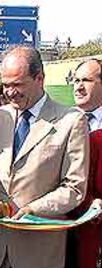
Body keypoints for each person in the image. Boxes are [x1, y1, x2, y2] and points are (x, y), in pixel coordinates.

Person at [0, 46, 89, 268]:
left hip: (39, 251)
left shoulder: (71, 121)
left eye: (17, 84)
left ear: (39, 78)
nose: (10, 92)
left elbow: (74, 188)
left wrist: (33, 209)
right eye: (6, 85)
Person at [67, 59, 102, 268]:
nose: (79, 86)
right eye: (76, 80)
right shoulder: (60, 121)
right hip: (59, 226)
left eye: (87, 80)